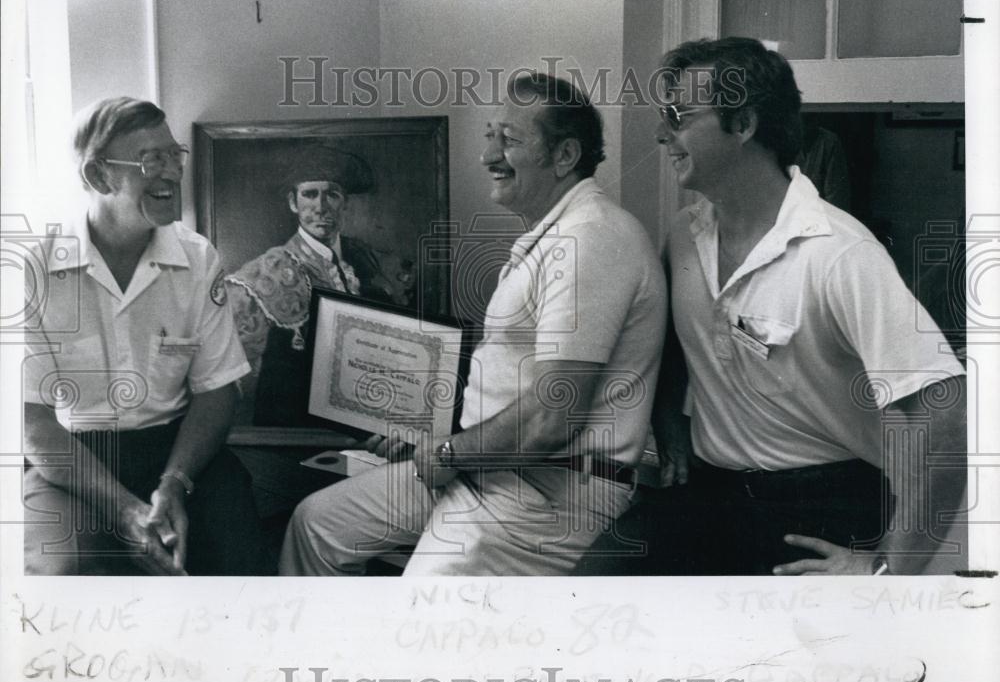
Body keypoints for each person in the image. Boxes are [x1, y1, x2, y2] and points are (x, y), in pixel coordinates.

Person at [279, 73, 667, 576]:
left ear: (566, 156)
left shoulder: (591, 239)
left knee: (422, 622)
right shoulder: (558, 233)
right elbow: (508, 382)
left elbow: (555, 417)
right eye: (490, 135)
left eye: (508, 139)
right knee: (316, 524)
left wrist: (448, 451)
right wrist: (425, 432)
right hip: (494, 470)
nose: (487, 155)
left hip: (548, 495)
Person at [650, 37, 966, 576]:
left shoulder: (840, 253)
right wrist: (668, 417)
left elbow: (949, 415)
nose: (663, 134)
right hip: (709, 498)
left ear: (744, 123)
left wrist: (888, 570)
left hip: (824, 509)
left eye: (679, 115)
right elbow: (679, 339)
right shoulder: (683, 236)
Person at [22, 97, 267, 575]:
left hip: (179, 451)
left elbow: (217, 393)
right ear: (98, 177)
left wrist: (173, 483)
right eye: (151, 159)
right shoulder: (34, 267)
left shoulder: (198, 259)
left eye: (173, 155)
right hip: (74, 460)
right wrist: (125, 509)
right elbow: (34, 423)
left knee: (243, 561)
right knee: (54, 572)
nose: (172, 173)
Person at [225, 147, 407, 426]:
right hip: (294, 429)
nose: (321, 207)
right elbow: (244, 383)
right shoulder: (261, 274)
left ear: (344, 202)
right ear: (293, 203)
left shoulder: (368, 262)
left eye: (331, 194)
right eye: (310, 194)